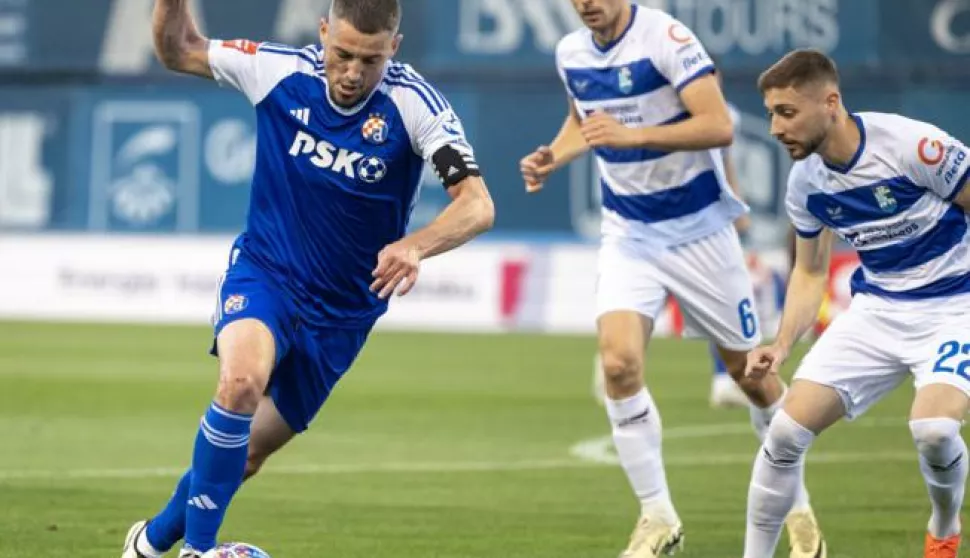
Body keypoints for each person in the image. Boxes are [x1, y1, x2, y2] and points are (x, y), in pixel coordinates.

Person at [121, 0, 495, 556]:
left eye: (370, 60)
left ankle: (148, 544)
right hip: (267, 274)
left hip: (341, 316)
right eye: (342, 54)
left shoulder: (414, 104)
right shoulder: (277, 70)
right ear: (322, 32)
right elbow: (180, 50)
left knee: (245, 456)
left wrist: (416, 245)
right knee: (240, 383)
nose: (352, 73)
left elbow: (477, 205)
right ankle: (200, 551)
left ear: (393, 48)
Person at [519, 1, 823, 556]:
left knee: (751, 377)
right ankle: (657, 515)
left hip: (700, 233)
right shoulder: (570, 53)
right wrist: (554, 156)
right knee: (618, 363)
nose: (586, 4)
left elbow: (719, 124)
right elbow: (585, 121)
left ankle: (799, 508)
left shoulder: (667, 38)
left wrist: (633, 136)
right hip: (628, 234)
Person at [743, 48, 970, 558]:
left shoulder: (913, 147)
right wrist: (782, 345)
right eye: (771, 114)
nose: (776, 128)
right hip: (878, 311)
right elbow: (810, 272)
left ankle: (944, 527)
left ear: (830, 103)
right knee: (784, 434)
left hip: (957, 307)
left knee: (934, 430)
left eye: (786, 112)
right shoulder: (806, 182)